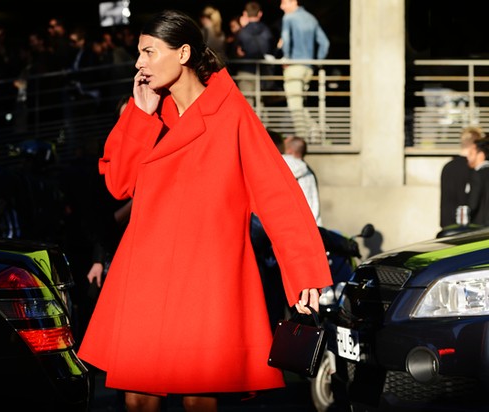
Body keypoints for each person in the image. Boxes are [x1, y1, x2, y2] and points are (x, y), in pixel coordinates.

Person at [76, 9, 332, 412]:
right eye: (139, 52)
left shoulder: (231, 112)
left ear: (182, 54)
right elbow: (118, 183)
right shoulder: (148, 109)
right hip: (146, 272)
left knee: (199, 396)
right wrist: (140, 115)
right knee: (138, 396)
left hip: (206, 278)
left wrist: (303, 274)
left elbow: (277, 195)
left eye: (148, 51)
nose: (139, 63)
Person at [278, 0, 330, 139]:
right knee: (299, 103)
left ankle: (304, 137)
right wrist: (317, 62)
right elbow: (325, 43)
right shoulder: (311, 18)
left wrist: (286, 58)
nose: (281, 7)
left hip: (294, 66)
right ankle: (313, 128)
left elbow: (286, 39)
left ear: (293, 2)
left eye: (284, 3)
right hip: (308, 67)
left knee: (295, 105)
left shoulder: (289, 17)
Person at [269, 130, 322, 225]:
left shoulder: (283, 163)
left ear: (289, 150)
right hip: (313, 224)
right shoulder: (308, 171)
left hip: (295, 224)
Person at [440, 126, 484, 228]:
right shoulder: (473, 168)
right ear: (474, 146)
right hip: (466, 227)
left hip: (447, 226)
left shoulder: (447, 167)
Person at [235, 1, 276, 107]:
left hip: (246, 71)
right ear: (260, 14)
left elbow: (236, 51)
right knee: (260, 103)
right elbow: (271, 49)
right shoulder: (267, 31)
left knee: (247, 104)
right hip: (263, 72)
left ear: (245, 14)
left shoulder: (242, 32)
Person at [466, 137, 489, 227]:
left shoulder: (477, 174)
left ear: (481, 155)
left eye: (471, 153)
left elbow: (473, 204)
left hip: (480, 225)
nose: (468, 156)